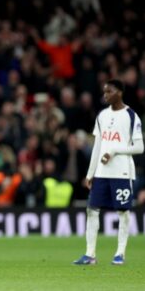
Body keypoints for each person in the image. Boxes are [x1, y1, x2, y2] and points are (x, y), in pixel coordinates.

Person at [74, 79, 144, 265]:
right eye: (104, 92)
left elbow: (139, 147)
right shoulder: (102, 115)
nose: (105, 95)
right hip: (102, 173)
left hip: (122, 172)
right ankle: (90, 255)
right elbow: (98, 146)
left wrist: (115, 151)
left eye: (109, 92)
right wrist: (90, 173)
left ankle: (119, 253)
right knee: (92, 210)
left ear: (119, 92)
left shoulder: (131, 116)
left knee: (123, 212)